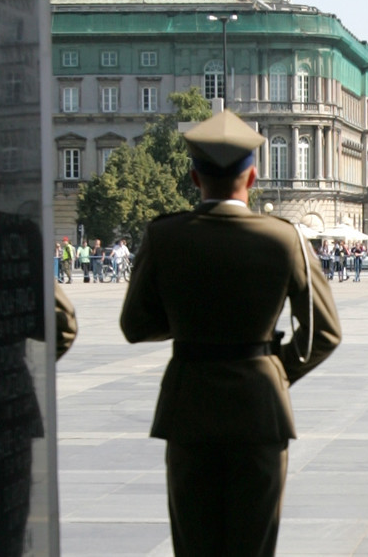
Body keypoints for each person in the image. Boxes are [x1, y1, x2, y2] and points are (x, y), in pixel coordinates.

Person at [120, 110, 341, 556]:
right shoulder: (284, 238)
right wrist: (275, 369)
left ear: (194, 177)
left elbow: (135, 325)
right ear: (253, 177)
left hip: (189, 406)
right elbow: (324, 332)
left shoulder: (165, 236)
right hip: (259, 408)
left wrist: (187, 324)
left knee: (194, 546)